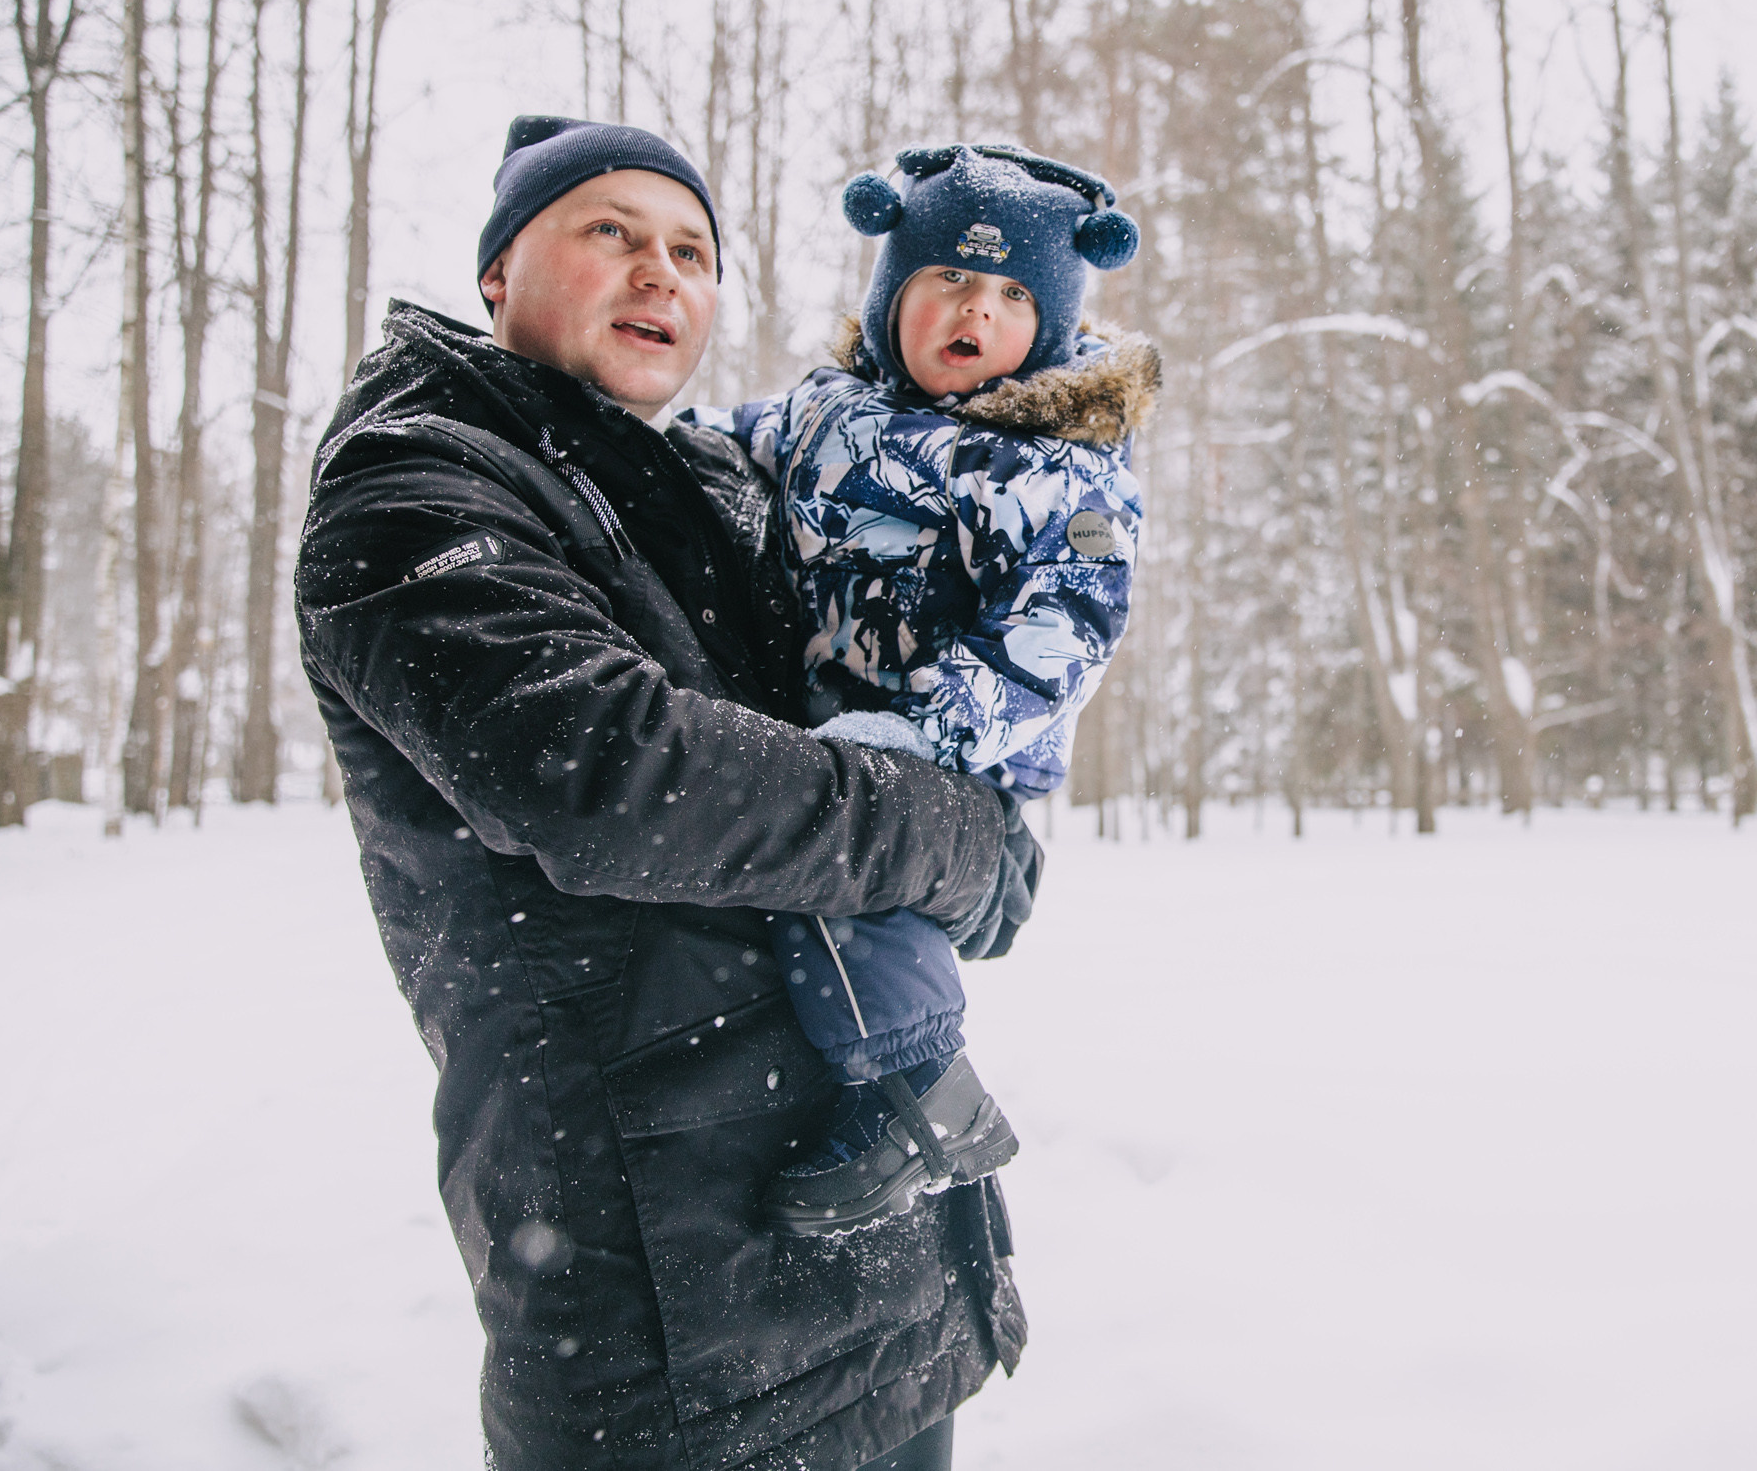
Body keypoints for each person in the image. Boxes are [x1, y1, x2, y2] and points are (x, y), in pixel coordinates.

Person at [297, 115, 1034, 1471]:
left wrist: (992, 797)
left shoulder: (710, 482)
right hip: (666, 1303)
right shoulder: (415, 481)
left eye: (692, 249)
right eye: (612, 232)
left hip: (871, 1247)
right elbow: (614, 771)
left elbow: (872, 681)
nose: (662, 272)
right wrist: (949, 836)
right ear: (498, 273)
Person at [687, 144, 1157, 1236]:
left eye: (1008, 295)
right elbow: (730, 451)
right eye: (946, 280)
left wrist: (926, 728)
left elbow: (1064, 629)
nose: (974, 311)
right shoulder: (825, 413)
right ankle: (905, 1089)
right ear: (890, 295)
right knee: (809, 867)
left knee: (850, 884)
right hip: (826, 724)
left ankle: (923, 1095)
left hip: (956, 753)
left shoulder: (1055, 465)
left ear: (1047, 323)